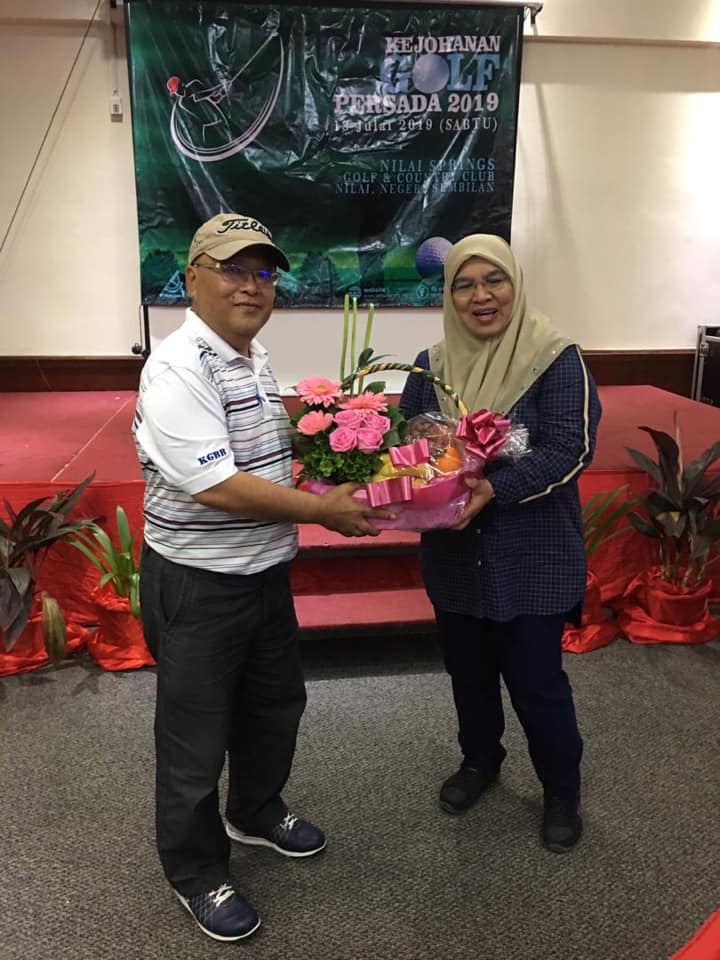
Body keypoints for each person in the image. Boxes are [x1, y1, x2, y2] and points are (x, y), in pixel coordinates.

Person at [133, 213, 391, 942]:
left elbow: (263, 459)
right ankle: (195, 872)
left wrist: (342, 456)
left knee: (275, 707)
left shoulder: (251, 357)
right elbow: (215, 484)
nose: (251, 285)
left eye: (264, 272)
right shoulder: (178, 366)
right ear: (192, 279)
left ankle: (252, 811)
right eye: (232, 269)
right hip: (198, 583)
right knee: (195, 738)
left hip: (264, 573)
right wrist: (323, 509)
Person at [399, 234, 601, 853]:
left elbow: (569, 449)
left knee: (538, 684)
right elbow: (411, 448)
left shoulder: (555, 358)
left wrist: (494, 488)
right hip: (456, 558)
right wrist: (411, 478)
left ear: (515, 284)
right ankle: (480, 761)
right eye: (464, 284)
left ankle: (561, 790)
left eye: (494, 280)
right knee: (469, 675)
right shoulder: (430, 367)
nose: (480, 296)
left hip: (532, 557)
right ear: (449, 295)